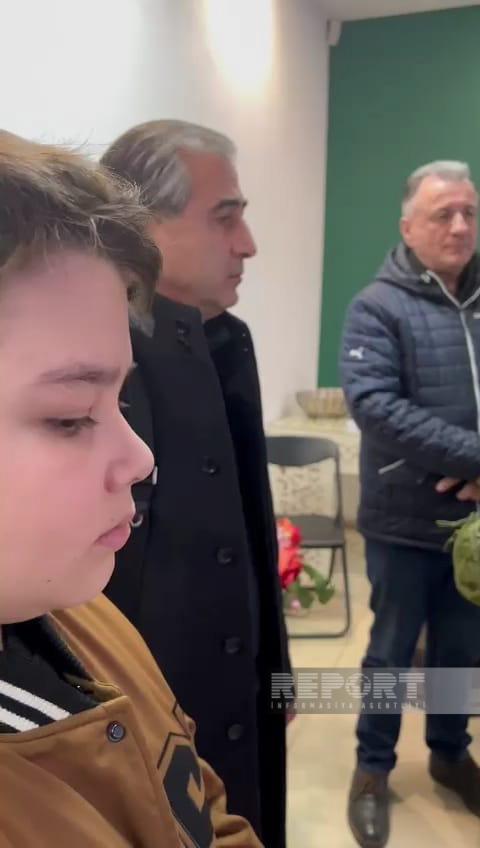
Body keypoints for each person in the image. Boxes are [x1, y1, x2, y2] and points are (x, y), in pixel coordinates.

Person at [0, 130, 262, 847]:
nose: (141, 459)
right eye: (69, 416)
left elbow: (203, 811)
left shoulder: (86, 618)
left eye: (119, 399)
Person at [100, 121, 290, 848]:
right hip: (149, 710)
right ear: (144, 223)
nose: (248, 244)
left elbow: (250, 533)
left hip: (242, 684)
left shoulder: (224, 340)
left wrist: (277, 672)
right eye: (225, 217)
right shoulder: (103, 363)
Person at [341, 160, 480, 848]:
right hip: (403, 520)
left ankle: (450, 754)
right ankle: (372, 768)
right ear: (408, 227)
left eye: (469, 213)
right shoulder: (376, 306)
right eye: (442, 214)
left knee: (461, 650)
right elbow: (375, 406)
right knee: (391, 653)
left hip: (472, 526)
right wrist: (475, 459)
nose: (459, 226)